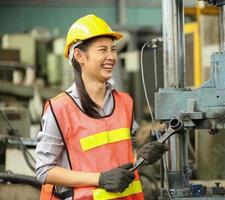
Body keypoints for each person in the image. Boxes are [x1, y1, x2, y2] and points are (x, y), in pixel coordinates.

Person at [35, 14, 168, 200]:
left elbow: (119, 154)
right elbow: (44, 170)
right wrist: (100, 179)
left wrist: (142, 156)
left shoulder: (124, 102)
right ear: (79, 55)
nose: (111, 57)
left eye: (113, 50)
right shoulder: (59, 109)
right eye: (103, 50)